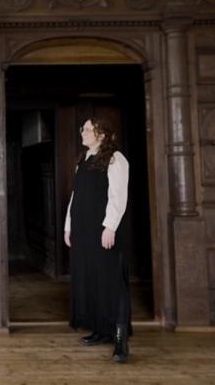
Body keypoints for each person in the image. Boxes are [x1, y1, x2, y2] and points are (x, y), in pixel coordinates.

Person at [63, 117, 131, 363]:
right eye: (83, 128)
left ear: (101, 134)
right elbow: (76, 196)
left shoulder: (116, 159)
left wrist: (109, 227)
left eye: (88, 129)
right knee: (92, 280)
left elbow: (117, 197)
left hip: (103, 230)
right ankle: (102, 331)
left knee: (112, 282)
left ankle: (120, 340)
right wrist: (68, 227)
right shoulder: (83, 161)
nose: (83, 132)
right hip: (82, 230)